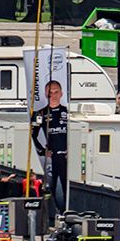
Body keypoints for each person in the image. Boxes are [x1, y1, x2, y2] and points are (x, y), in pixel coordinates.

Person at [33, 78, 70, 212]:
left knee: (68, 188)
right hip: (51, 158)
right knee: (52, 187)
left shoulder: (68, 112)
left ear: (61, 94)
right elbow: (32, 135)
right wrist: (43, 151)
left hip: (66, 158)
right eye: (50, 93)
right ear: (45, 94)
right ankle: (54, 213)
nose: (53, 96)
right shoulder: (40, 113)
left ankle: (67, 211)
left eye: (56, 92)